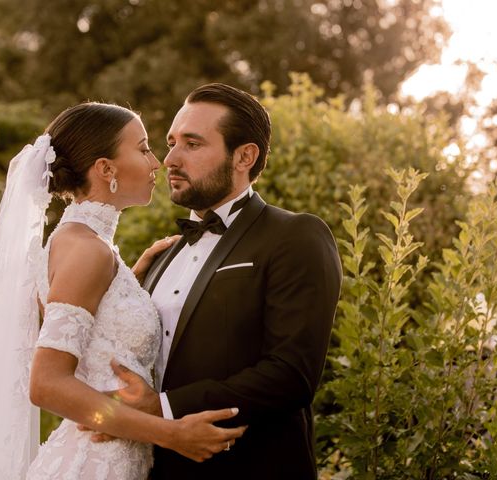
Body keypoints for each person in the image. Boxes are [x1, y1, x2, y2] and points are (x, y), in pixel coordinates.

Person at [0, 102, 245, 479]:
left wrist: (132, 278)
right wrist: (172, 434)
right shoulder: (87, 250)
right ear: (106, 169)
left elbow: (96, 337)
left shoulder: (80, 243)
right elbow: (47, 384)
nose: (157, 163)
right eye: (143, 148)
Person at [103, 83, 342, 479]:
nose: (171, 159)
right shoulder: (163, 255)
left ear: (244, 156)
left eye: (193, 144)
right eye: (171, 142)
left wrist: (161, 407)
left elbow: (291, 375)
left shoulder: (296, 236)